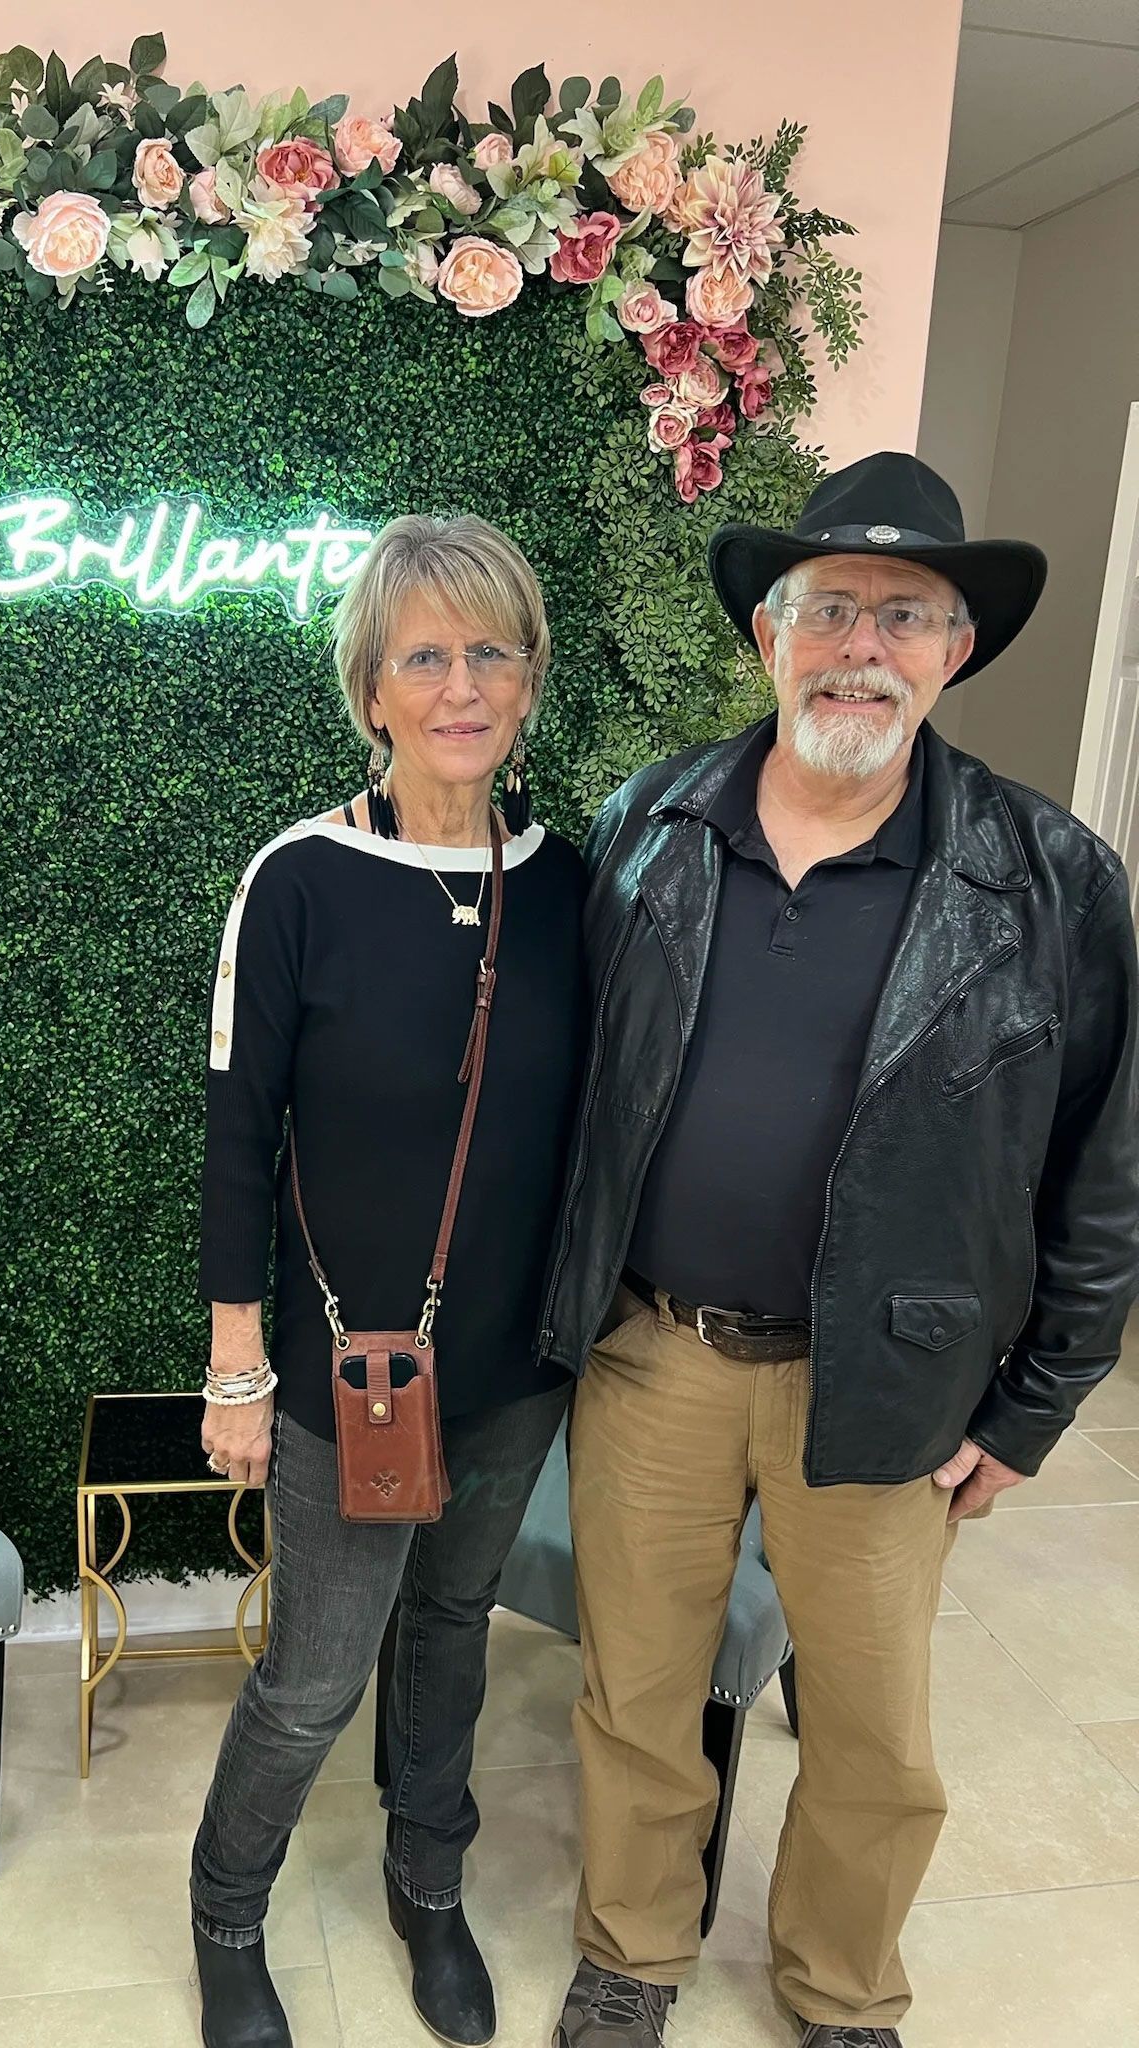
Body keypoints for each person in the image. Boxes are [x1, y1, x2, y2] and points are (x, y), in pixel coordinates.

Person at [542, 452, 1139, 2048]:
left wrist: (1033, 1408)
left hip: (890, 1380)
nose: (860, 645)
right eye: (828, 609)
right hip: (651, 1356)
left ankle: (842, 1985)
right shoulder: (646, 825)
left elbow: (1103, 1166)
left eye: (905, 614)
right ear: (767, 635)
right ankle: (630, 1950)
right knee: (638, 1694)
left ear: (955, 651)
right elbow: (572, 1095)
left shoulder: (1052, 879)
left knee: (872, 1732)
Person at [191, 513, 585, 2048]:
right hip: (346, 1379)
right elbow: (238, 1134)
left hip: (512, 1373)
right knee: (311, 1679)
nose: (463, 683)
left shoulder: (570, 886)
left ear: (529, 681)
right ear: (372, 690)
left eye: (493, 650)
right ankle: (228, 1907)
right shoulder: (300, 880)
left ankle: (431, 1885)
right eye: (427, 654)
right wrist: (238, 1366)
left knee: (451, 1635)